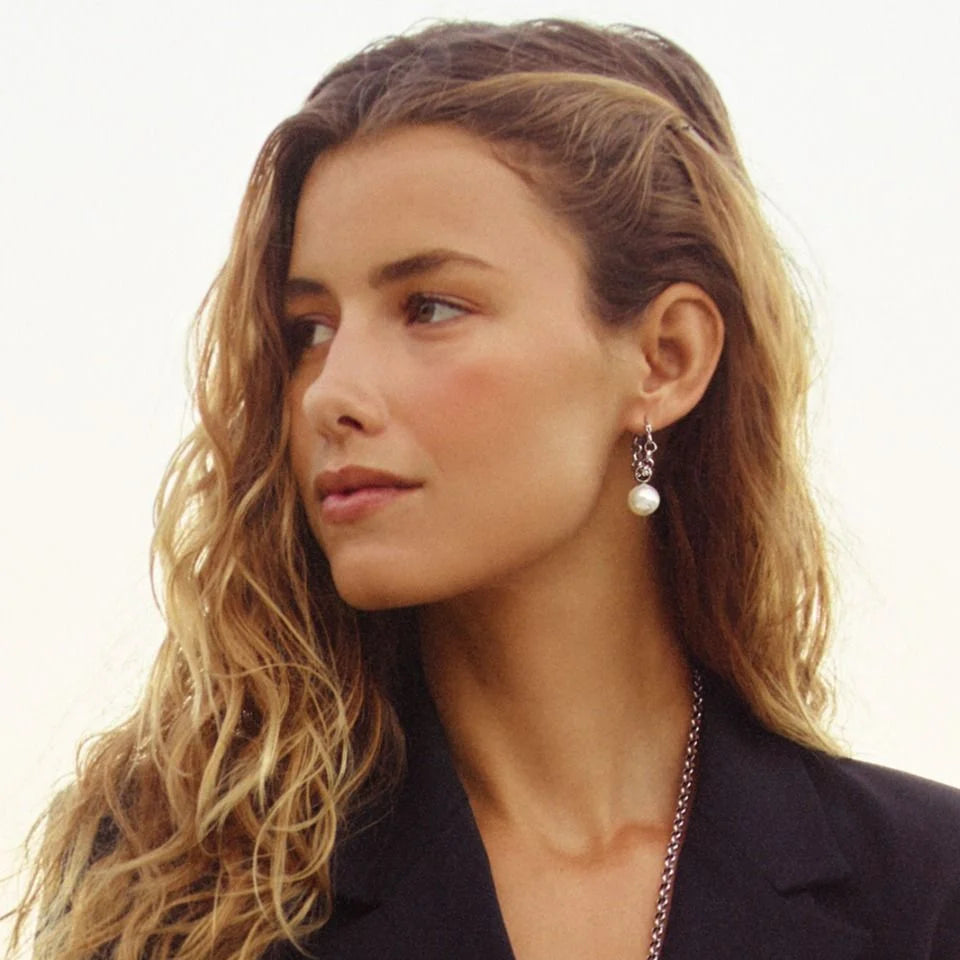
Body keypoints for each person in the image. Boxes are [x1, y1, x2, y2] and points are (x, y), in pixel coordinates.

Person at [8, 18, 960, 960]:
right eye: (311, 329)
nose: (331, 392)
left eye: (430, 308)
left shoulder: (926, 890)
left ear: (665, 359)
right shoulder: (184, 893)